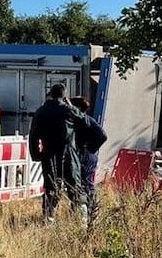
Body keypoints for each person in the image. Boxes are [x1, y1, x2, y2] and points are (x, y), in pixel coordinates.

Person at [28, 83, 91, 224]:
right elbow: (85, 122)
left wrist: (36, 154)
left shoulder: (41, 111)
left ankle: (49, 219)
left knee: (51, 187)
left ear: (50, 94)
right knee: (74, 186)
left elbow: (33, 136)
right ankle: (81, 221)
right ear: (64, 95)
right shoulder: (68, 110)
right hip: (68, 153)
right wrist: (70, 105)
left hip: (49, 153)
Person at [69, 96, 108, 219]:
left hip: (85, 155)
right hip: (87, 154)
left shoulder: (86, 120)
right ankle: (81, 210)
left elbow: (103, 135)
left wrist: (90, 148)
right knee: (81, 183)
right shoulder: (83, 120)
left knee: (85, 183)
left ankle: (91, 211)